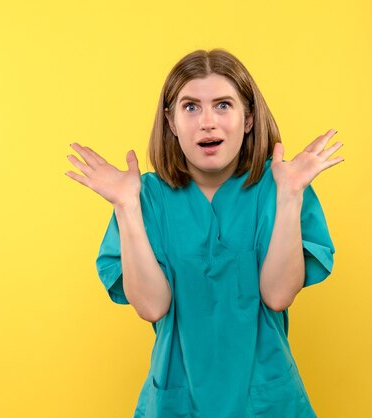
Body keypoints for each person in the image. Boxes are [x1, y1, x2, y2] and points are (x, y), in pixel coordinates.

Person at [65, 48, 344, 418]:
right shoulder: (144, 197)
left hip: (266, 402)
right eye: (191, 107)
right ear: (171, 121)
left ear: (248, 119)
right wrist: (127, 207)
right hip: (176, 403)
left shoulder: (281, 186)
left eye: (223, 105)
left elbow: (278, 296)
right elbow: (151, 306)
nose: (207, 122)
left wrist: (291, 196)